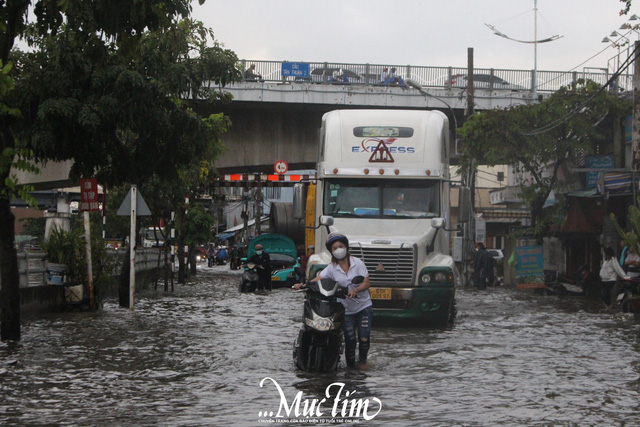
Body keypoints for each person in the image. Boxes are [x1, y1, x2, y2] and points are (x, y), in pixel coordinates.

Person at [294, 233, 372, 368]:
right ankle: (351, 368)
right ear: (332, 251)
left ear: (346, 247)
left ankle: (363, 361)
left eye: (341, 246)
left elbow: (366, 282)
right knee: (350, 339)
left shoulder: (358, 263)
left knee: (363, 337)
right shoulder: (331, 268)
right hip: (345, 309)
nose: (338, 249)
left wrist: (356, 290)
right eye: (335, 248)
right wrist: (304, 285)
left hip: (363, 307)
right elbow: (319, 279)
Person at [600, 246, 630, 310]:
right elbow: (603, 269)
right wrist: (601, 275)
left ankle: (610, 307)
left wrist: (624, 276)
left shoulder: (613, 259)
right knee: (603, 294)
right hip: (604, 279)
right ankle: (608, 307)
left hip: (610, 279)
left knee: (606, 293)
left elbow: (617, 268)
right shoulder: (605, 260)